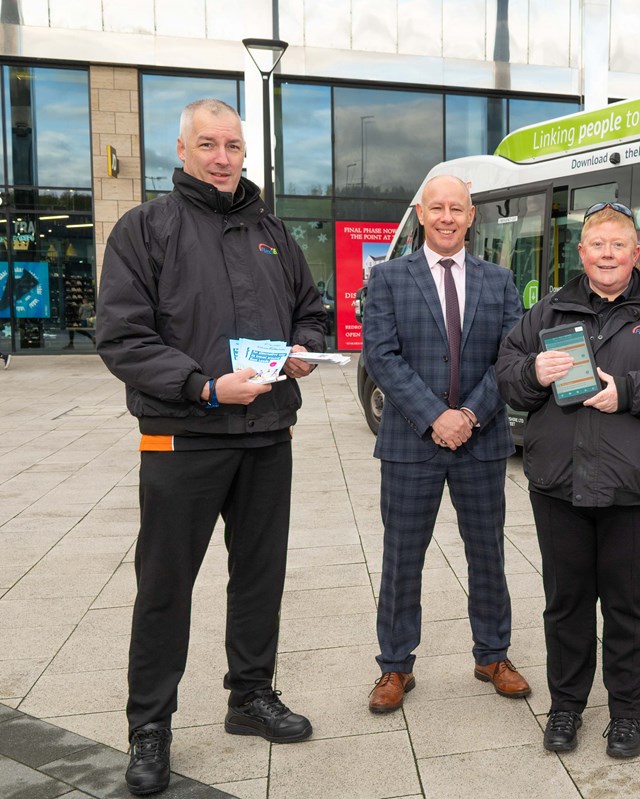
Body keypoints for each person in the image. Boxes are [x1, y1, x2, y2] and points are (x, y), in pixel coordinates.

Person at [96, 98, 326, 796]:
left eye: (232, 145)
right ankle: (151, 726)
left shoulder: (273, 233)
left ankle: (249, 696)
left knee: (259, 579)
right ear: (182, 148)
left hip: (266, 437)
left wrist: (305, 351)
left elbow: (311, 312)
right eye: (208, 144)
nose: (223, 157)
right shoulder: (144, 229)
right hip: (183, 436)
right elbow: (123, 337)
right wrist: (201, 387)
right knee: (165, 587)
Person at [497, 202, 640, 758]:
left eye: (619, 244)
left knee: (629, 606)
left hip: (636, 490)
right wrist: (531, 372)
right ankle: (565, 707)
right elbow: (506, 376)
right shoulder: (545, 314)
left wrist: (629, 391)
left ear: (637, 252)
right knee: (564, 604)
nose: (608, 254)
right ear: (581, 252)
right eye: (598, 244)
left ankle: (627, 714)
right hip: (559, 485)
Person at [362, 174, 529, 714]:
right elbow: (382, 357)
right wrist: (436, 416)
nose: (448, 217)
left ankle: (493, 654)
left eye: (457, 208)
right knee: (401, 557)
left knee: (488, 554)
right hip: (411, 442)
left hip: (480, 442)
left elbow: (510, 356)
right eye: (438, 208)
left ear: (472, 215)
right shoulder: (387, 278)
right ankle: (395, 665)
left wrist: (470, 416)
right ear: (421, 212)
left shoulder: (499, 279)